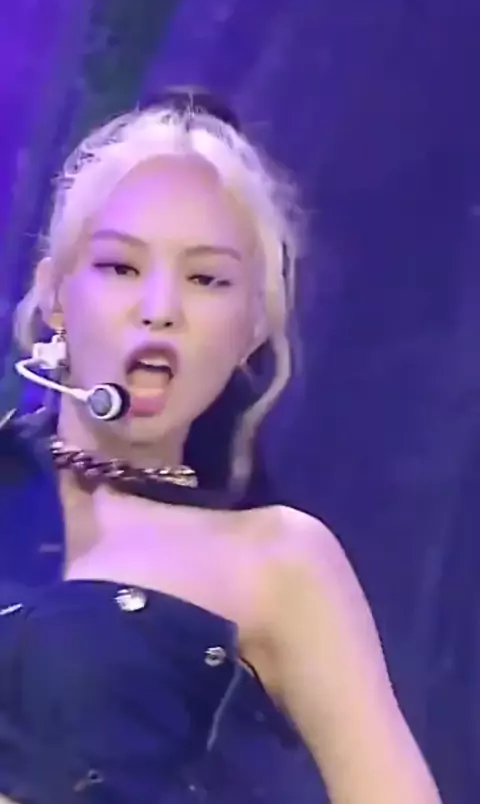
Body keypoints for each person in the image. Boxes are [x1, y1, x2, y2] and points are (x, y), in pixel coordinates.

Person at [0, 87, 441, 804]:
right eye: (120, 268)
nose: (160, 310)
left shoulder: (278, 562)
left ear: (252, 328)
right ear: (55, 296)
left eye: (206, 279)